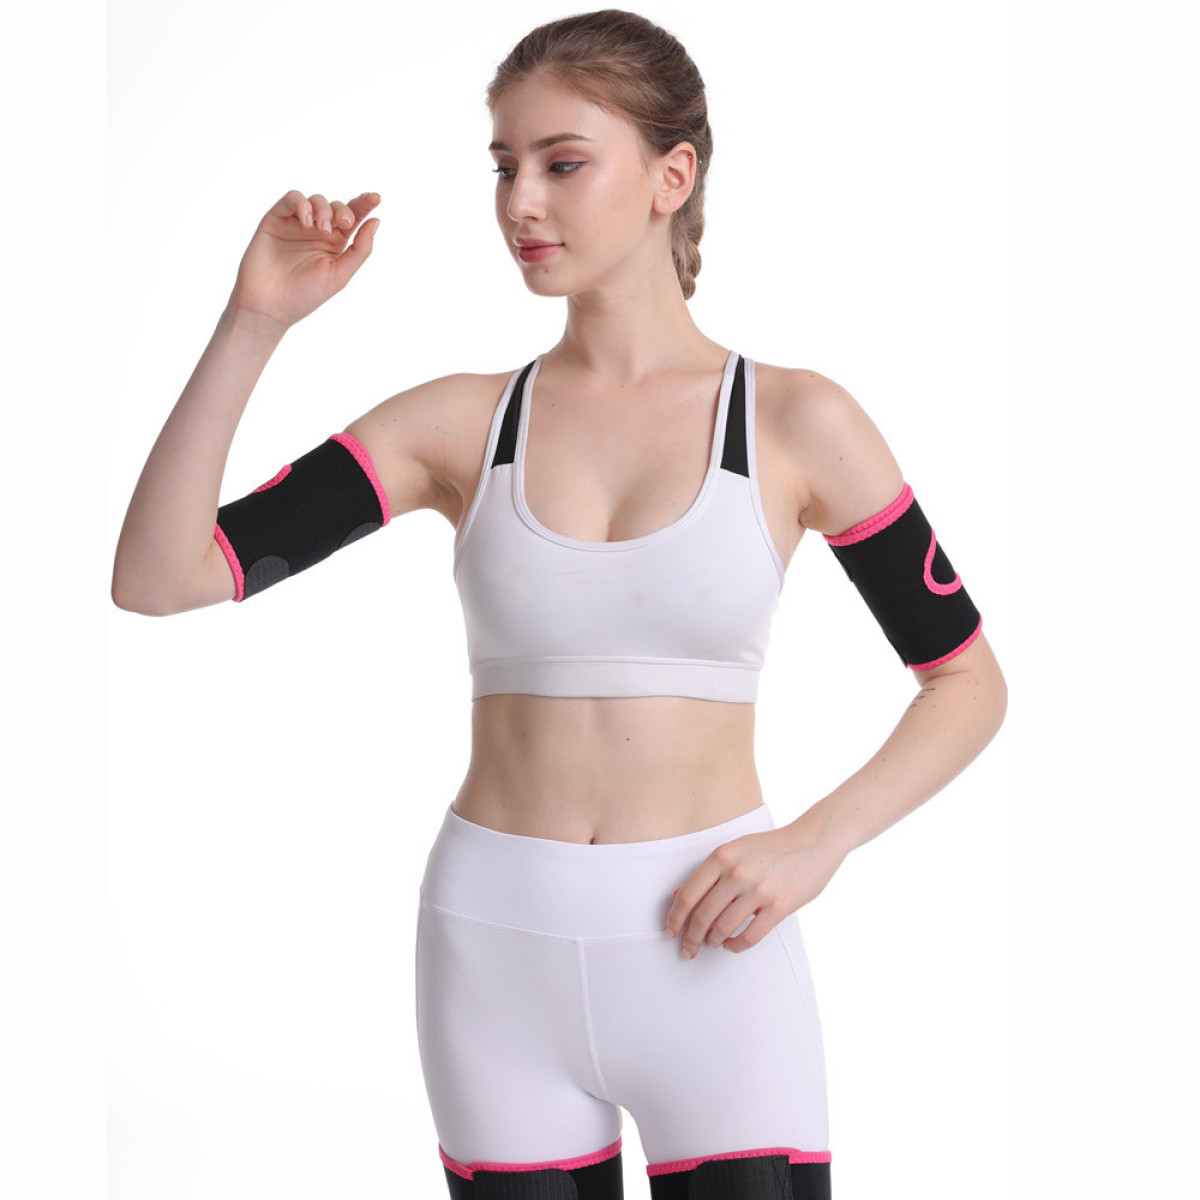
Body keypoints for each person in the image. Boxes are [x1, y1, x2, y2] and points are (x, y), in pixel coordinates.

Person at [111, 8, 1007, 1198]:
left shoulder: (796, 421)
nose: (520, 203)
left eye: (562, 163)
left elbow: (967, 681)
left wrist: (818, 840)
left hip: (716, 952)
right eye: (504, 166)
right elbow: (160, 576)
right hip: (493, 953)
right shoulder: (458, 425)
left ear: (671, 177)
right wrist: (255, 322)